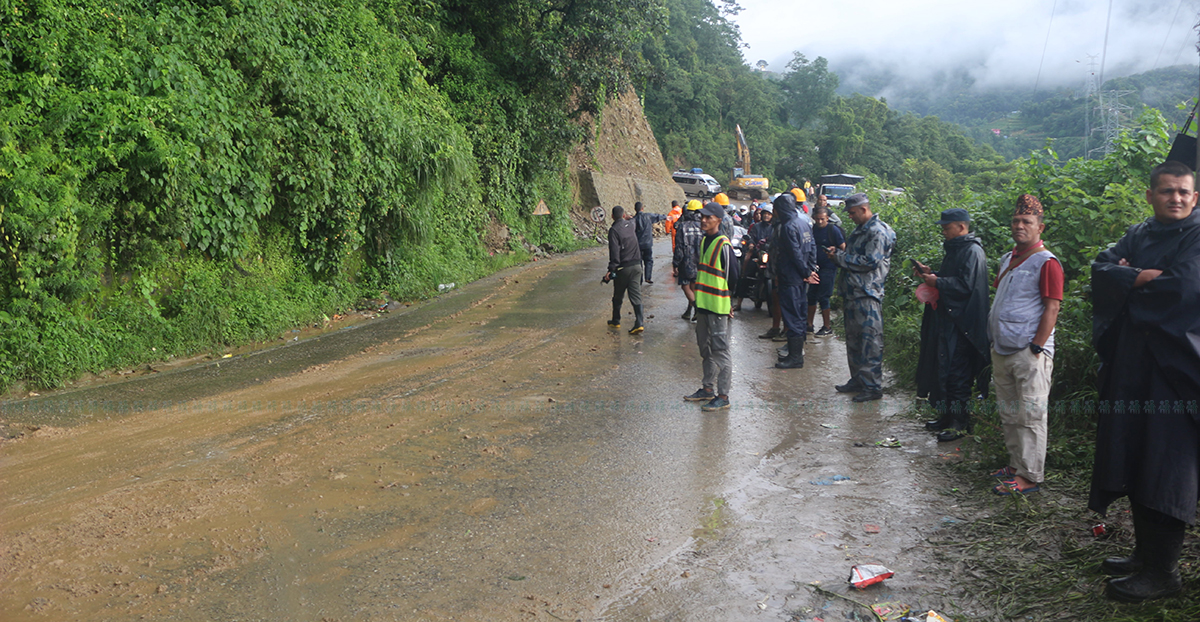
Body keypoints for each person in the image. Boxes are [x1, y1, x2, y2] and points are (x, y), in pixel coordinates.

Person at [1089, 160, 1200, 603]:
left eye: (1184, 192)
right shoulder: (1138, 234)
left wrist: (1131, 281)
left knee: (1165, 466)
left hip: (1176, 374)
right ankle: (1143, 556)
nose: (1176, 198)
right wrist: (1133, 275)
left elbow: (1183, 289)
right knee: (1134, 458)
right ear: (1150, 194)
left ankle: (1163, 573)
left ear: (1195, 197)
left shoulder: (1196, 236)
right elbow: (1100, 268)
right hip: (1132, 370)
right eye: (1167, 190)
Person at [987, 194, 1062, 495]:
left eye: (1027, 222)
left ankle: (1030, 476)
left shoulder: (1047, 263)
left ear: (1039, 227)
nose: (1020, 226)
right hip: (1002, 349)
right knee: (1009, 410)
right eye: (1016, 221)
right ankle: (1016, 464)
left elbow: (1052, 308)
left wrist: (1036, 346)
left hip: (1029, 352)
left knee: (1030, 414)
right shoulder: (1009, 258)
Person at [912, 208, 991, 442]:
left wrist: (938, 281)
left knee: (958, 374)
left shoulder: (972, 251)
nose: (944, 232)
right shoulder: (957, 249)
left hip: (963, 323)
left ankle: (960, 423)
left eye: (947, 228)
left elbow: (966, 286)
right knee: (944, 370)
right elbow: (952, 279)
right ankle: (946, 416)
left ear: (962, 227)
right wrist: (932, 275)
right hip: (948, 320)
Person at [825, 193, 895, 402]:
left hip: (868, 294)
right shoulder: (860, 230)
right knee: (854, 339)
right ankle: (858, 379)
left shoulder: (877, 232)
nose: (850, 217)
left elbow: (869, 261)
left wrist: (839, 257)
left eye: (853, 213)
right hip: (853, 292)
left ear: (864, 209)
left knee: (870, 341)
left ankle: (872, 386)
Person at [682, 201, 735, 412]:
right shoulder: (705, 242)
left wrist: (730, 303)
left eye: (708, 218)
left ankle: (723, 395)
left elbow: (733, 277)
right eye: (702, 217)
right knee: (705, 348)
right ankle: (707, 389)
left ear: (719, 221)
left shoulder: (724, 245)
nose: (703, 220)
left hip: (719, 308)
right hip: (703, 306)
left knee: (721, 351)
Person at [769, 192, 819, 369]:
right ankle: (793, 353)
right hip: (800, 277)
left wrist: (806, 271)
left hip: (791, 277)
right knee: (799, 313)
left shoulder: (789, 227)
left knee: (792, 315)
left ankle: (796, 357)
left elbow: (795, 253)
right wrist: (811, 269)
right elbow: (812, 246)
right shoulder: (803, 223)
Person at [604, 205, 644, 334]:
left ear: (612, 216)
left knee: (618, 295)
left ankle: (616, 320)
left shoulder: (614, 230)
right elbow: (633, 219)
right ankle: (639, 322)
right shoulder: (631, 224)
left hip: (623, 268)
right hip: (637, 266)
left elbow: (614, 252)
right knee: (635, 295)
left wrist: (611, 269)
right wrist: (628, 218)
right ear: (624, 215)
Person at [807, 205, 845, 336]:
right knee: (811, 296)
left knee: (824, 297)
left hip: (829, 268)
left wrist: (835, 250)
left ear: (827, 218)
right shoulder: (813, 229)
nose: (819, 222)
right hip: (814, 267)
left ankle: (827, 326)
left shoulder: (833, 230)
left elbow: (844, 248)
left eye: (822, 219)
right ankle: (809, 325)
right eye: (817, 219)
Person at [673, 200, 705, 321]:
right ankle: (689, 311)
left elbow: (679, 247)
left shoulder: (683, 226)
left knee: (685, 285)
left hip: (686, 261)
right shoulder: (703, 225)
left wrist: (676, 263)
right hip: (700, 261)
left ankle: (697, 308)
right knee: (693, 286)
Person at [633, 202, 668, 284]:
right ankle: (648, 277)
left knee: (639, 262)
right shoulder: (648, 216)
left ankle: (640, 279)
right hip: (648, 243)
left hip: (638, 244)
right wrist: (666, 217)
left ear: (635, 209)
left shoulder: (633, 219)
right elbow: (657, 216)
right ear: (642, 208)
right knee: (648, 260)